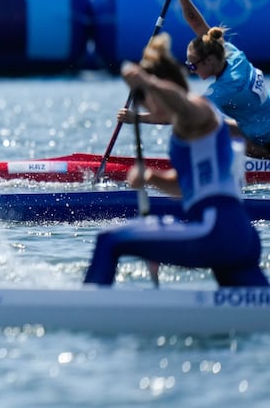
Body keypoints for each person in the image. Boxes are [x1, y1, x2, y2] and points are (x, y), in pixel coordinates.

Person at [84, 45, 268, 287]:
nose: (148, 108)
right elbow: (184, 186)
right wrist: (150, 177)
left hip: (215, 230)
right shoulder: (189, 127)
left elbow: (180, 100)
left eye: (147, 101)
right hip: (239, 237)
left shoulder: (197, 110)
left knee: (109, 240)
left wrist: (148, 82)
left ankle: (88, 312)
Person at [121, 0, 270, 158]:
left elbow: (183, 112)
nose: (192, 70)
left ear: (208, 61)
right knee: (221, 125)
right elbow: (198, 24)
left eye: (193, 65)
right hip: (261, 129)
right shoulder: (231, 54)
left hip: (265, 140)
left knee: (210, 125)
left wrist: (136, 118)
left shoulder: (225, 89)